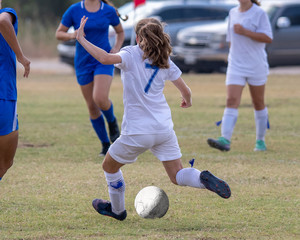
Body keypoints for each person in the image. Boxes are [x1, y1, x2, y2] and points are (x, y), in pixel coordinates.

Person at [76, 16, 231, 221]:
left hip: (138, 131)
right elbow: (186, 91)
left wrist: (81, 39)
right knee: (177, 175)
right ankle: (202, 178)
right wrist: (187, 100)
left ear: (139, 37)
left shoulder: (131, 53)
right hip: (163, 129)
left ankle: (117, 210)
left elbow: (105, 58)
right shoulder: (164, 59)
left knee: (109, 167)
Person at [55, 0, 125, 156]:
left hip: (103, 60)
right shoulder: (74, 10)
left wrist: (116, 48)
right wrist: (73, 34)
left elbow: (120, 32)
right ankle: (105, 144)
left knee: (100, 98)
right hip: (83, 62)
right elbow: (58, 33)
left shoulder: (108, 10)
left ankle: (112, 122)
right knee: (92, 106)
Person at [207, 0, 272, 152]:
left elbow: (268, 38)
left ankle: (260, 141)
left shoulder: (259, 13)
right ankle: (225, 140)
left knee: (258, 102)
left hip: (256, 64)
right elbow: (231, 41)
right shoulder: (232, 12)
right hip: (236, 65)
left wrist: (246, 32)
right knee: (231, 100)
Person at [0, 0, 31, 181]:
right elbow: (3, 21)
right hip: (3, 94)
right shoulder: (7, 12)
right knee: (5, 162)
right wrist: (21, 57)